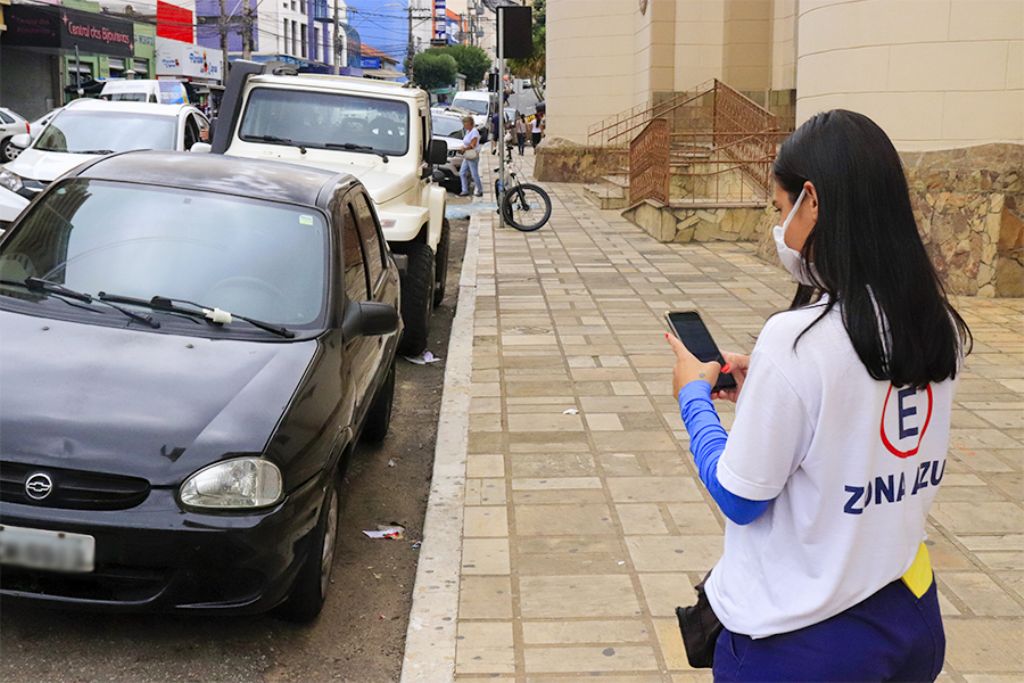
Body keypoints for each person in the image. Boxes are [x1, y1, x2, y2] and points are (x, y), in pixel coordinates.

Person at [666, 109, 970, 682]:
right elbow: (855, 414)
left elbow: (739, 496)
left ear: (813, 201)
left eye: (780, 210)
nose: (779, 229)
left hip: (804, 643)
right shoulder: (932, 323)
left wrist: (693, 399)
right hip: (906, 614)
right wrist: (768, 388)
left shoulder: (799, 338)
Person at [458, 116, 483, 198]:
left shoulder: (474, 132)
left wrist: (464, 149)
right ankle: (464, 190)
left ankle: (479, 190)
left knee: (474, 173)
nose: (464, 126)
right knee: (462, 172)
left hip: (472, 155)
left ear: (470, 124)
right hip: (467, 155)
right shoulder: (468, 132)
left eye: (465, 124)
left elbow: (473, 144)